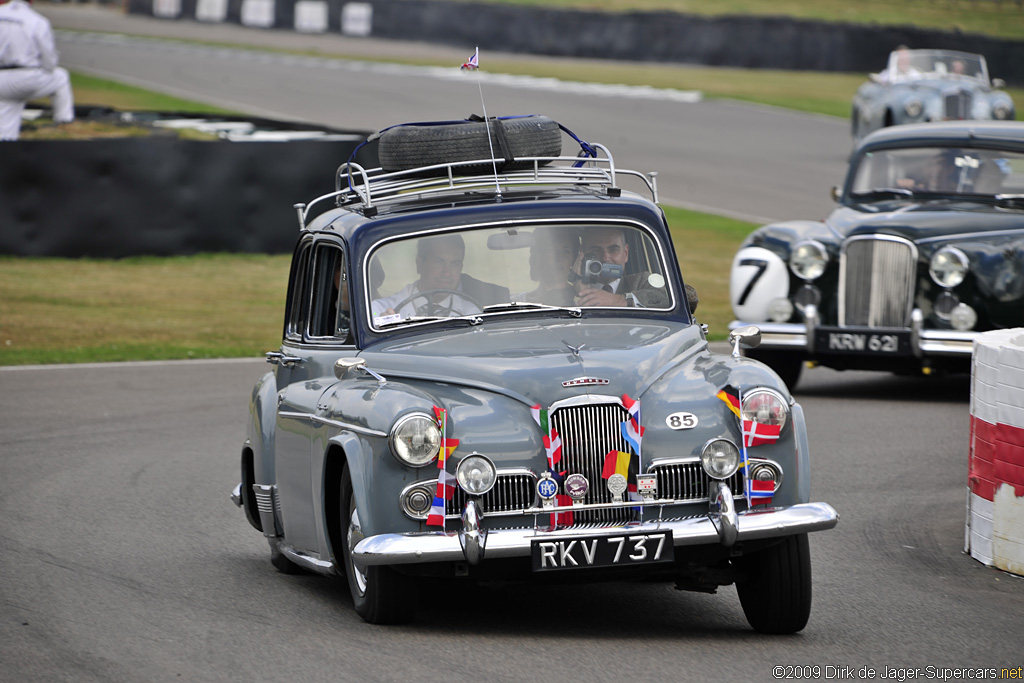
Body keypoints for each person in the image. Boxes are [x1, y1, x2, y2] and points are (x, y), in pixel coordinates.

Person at [371, 234, 509, 320]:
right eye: (439, 261)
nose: (446, 272)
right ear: (420, 264)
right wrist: (383, 324)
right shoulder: (380, 310)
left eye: (454, 264)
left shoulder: (472, 313)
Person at [0, 0, 75, 141]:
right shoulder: (36, 20)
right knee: (61, 77)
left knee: (6, 123)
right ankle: (65, 122)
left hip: (1, 79)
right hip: (25, 76)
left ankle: (6, 150)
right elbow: (49, 61)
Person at [574, 226, 671, 308]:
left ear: (626, 253)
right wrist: (583, 293)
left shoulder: (641, 281)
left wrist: (619, 300)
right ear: (581, 254)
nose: (605, 258)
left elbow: (667, 298)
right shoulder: (570, 289)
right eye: (596, 251)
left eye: (613, 250)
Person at [520, 227, 580, 307]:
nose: (559, 257)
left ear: (573, 260)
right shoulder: (518, 302)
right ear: (539, 256)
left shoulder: (581, 302)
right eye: (551, 250)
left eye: (566, 251)